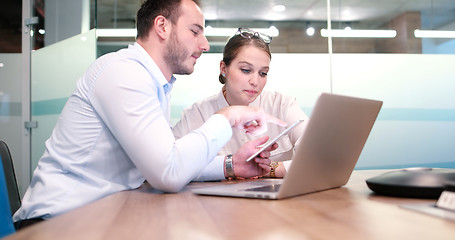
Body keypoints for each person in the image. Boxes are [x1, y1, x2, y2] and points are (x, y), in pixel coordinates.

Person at [13, 0, 286, 229]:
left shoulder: (153, 83)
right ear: (162, 26)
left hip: (99, 216)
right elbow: (168, 173)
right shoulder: (123, 73)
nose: (204, 44)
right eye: (195, 31)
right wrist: (226, 117)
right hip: (55, 223)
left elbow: (167, 157)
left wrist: (231, 165)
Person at [173, 27, 309, 179]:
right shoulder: (197, 114)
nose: (255, 81)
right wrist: (231, 167)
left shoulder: (282, 105)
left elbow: (323, 155)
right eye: (246, 70)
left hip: (275, 200)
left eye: (263, 73)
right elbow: (170, 166)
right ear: (224, 69)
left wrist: (272, 168)